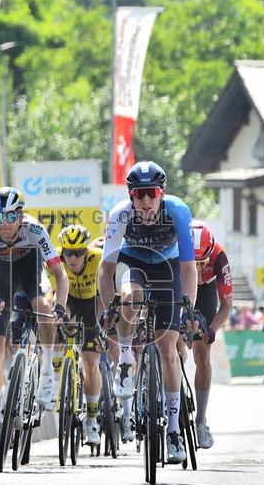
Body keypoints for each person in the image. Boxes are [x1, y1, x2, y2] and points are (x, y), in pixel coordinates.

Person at [98, 161, 197, 463]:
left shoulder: (177, 211)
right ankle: (126, 358)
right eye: (138, 194)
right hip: (135, 263)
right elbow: (105, 270)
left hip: (169, 266)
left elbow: (189, 268)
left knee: (168, 350)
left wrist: (188, 307)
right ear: (130, 195)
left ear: (161, 193)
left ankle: (173, 430)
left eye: (150, 194)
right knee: (129, 298)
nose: (145, 201)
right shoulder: (120, 215)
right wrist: (110, 307)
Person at [0, 186, 67, 454]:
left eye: (10, 218)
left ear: (21, 216)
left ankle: (47, 373)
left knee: (44, 308)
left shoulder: (34, 230)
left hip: (30, 273)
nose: (3, 225)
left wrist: (60, 306)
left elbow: (60, 274)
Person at [47, 224, 103, 446]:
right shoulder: (54, 260)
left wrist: (100, 323)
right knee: (55, 319)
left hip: (91, 305)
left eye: (78, 252)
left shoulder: (98, 258)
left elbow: (107, 289)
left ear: (86, 252)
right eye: (68, 252)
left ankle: (91, 420)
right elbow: (55, 295)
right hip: (68, 301)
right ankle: (55, 374)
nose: (72, 257)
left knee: (90, 363)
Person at [188, 220, 233, 449]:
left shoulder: (219, 256)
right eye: (193, 261)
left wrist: (213, 329)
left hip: (206, 291)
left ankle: (201, 420)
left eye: (201, 262)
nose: (197, 266)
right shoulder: (175, 248)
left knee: (202, 356)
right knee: (171, 344)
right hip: (181, 285)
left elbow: (226, 304)